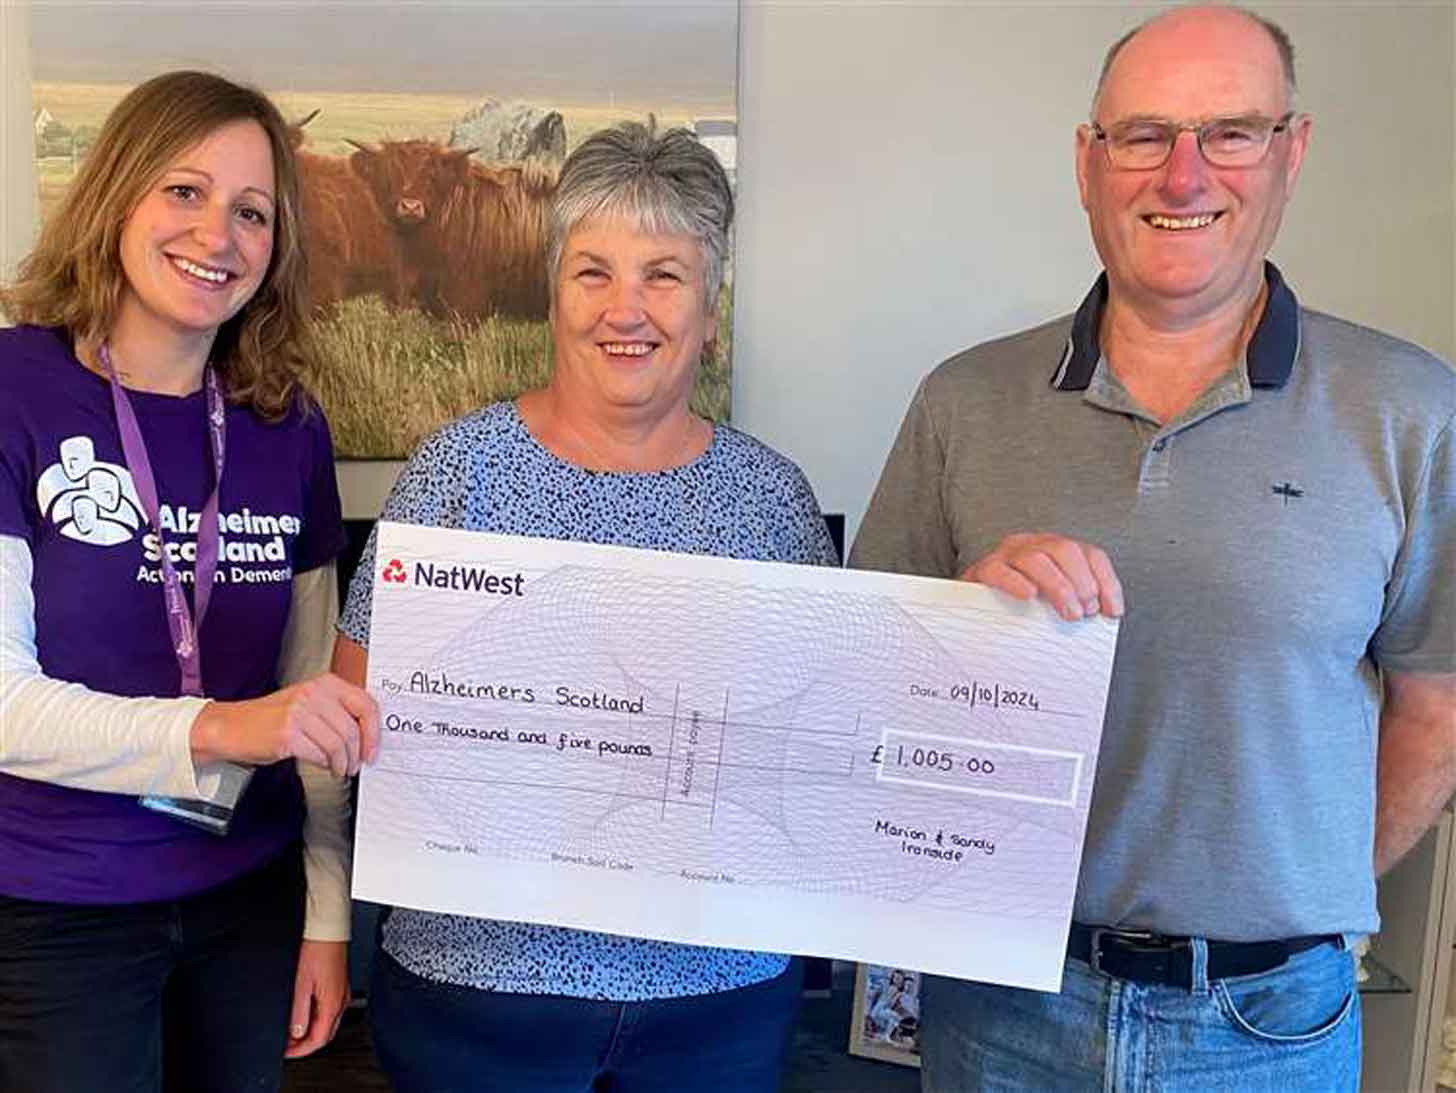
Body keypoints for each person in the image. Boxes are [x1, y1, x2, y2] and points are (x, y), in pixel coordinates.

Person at [850, 7, 1454, 1090]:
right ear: (1088, 164)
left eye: (1230, 132)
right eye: (1143, 136)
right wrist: (963, 618)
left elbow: (1437, 703)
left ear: (1290, 153)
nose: (1183, 175)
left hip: (1270, 1030)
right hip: (999, 1010)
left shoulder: (1409, 411)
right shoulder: (963, 400)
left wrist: (1296, 892)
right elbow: (857, 687)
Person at [333, 121, 838, 1092]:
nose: (627, 309)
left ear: (709, 304)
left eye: (664, 274)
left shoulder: (771, 500)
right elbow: (357, 714)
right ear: (553, 291)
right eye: (593, 271)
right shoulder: (456, 475)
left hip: (717, 1003)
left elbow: (813, 740)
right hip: (477, 997)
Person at [0, 71, 380, 1092]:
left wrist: (328, 918)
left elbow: (319, 708)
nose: (217, 234)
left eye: (251, 212)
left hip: (246, 906)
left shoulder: (284, 424)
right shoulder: (13, 389)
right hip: (56, 914)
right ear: (117, 192)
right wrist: (224, 727)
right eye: (184, 192)